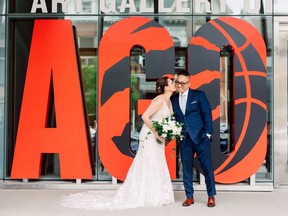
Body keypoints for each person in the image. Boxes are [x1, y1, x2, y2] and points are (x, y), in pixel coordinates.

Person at [61, 76, 176, 210]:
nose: (174, 84)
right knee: (149, 161)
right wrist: (156, 131)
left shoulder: (169, 101)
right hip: (150, 136)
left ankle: (159, 194)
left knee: (158, 161)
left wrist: (168, 133)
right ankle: (147, 195)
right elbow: (145, 116)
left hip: (159, 137)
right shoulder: (159, 100)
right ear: (166, 87)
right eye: (171, 82)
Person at [171, 71, 216, 207]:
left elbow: (207, 114)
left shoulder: (199, 95)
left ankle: (211, 196)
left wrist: (207, 134)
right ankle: (189, 196)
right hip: (184, 140)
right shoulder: (173, 99)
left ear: (189, 83)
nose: (180, 85)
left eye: (183, 83)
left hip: (201, 138)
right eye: (178, 82)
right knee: (186, 169)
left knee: (207, 168)